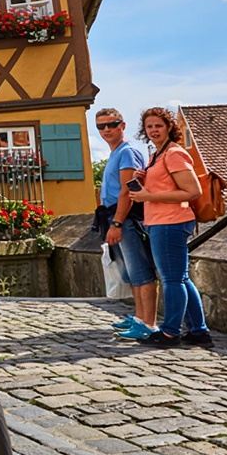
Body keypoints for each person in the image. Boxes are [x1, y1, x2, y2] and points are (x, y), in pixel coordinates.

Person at [130, 107, 211, 348]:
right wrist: (145, 180)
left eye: (158, 125)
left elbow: (192, 191)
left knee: (172, 279)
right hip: (162, 221)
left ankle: (169, 332)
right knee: (181, 278)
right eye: (149, 126)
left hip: (170, 222)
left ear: (168, 127)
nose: (154, 130)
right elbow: (165, 185)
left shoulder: (174, 153)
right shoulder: (157, 155)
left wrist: (148, 196)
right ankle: (199, 331)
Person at [94, 108, 159, 341]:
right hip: (114, 216)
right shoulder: (116, 152)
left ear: (122, 125)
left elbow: (127, 190)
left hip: (126, 218)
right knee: (132, 273)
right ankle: (140, 317)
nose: (106, 130)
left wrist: (118, 222)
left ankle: (148, 323)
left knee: (141, 271)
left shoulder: (128, 152)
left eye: (112, 124)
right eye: (101, 126)